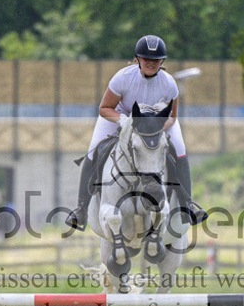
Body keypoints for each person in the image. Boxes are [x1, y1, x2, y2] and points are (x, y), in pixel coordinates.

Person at [65, 35, 208, 231]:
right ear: (138, 59)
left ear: (162, 62)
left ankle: (188, 205)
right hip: (120, 116)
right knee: (93, 151)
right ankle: (80, 209)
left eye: (155, 60)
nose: (151, 63)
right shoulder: (123, 78)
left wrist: (155, 129)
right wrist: (125, 122)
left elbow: (172, 117)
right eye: (146, 59)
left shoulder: (169, 83)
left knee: (179, 150)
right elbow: (105, 107)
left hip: (157, 122)